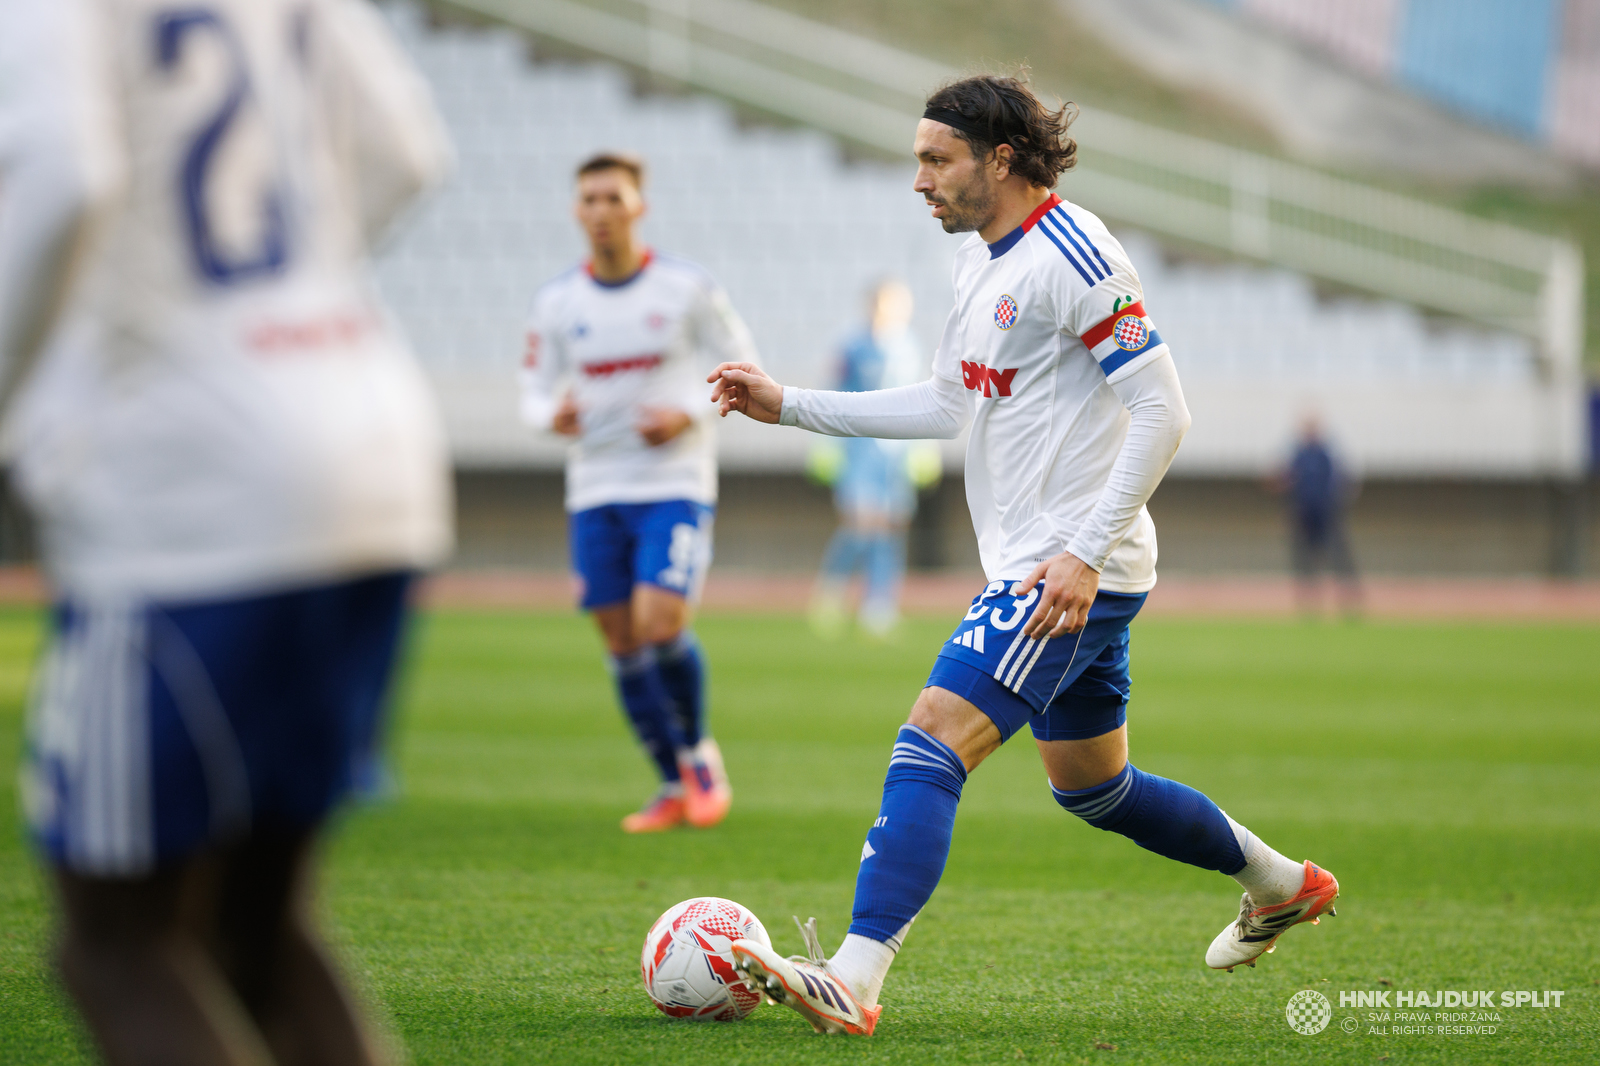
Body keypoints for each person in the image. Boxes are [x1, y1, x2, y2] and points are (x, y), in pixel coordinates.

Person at [707, 74, 1341, 1036]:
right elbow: (949, 404)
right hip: (1060, 569)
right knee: (1096, 788)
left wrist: (1082, 554)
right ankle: (1285, 885)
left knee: (932, 737)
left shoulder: (1076, 254)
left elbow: (1164, 411)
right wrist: (787, 403)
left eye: (935, 160)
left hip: (1064, 572)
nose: (918, 180)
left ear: (1000, 159)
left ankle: (855, 975)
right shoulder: (980, 263)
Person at [2, 1, 453, 1063]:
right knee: (259, 926)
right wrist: (283, 313)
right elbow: (406, 147)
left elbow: (66, 172)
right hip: (372, 430)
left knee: (116, 939)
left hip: (194, 490)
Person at [520, 153, 755, 833]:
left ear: (638, 207)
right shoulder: (557, 302)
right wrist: (549, 418)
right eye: (588, 199)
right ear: (576, 211)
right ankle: (670, 781)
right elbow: (534, 389)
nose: (600, 211)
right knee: (621, 640)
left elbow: (742, 365)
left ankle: (701, 755)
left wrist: (688, 411)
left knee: (661, 622)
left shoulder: (686, 288)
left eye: (612, 198)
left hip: (673, 482)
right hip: (595, 486)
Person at [809, 279, 934, 639]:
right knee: (862, 525)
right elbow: (833, 391)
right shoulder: (851, 345)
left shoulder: (909, 345)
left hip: (895, 456)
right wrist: (828, 446)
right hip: (858, 449)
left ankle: (879, 604)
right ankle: (831, 590)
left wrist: (922, 447)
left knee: (890, 528)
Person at [1280, 414, 1361, 615]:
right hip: (1304, 514)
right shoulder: (1299, 454)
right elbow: (1289, 480)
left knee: (1338, 557)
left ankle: (1349, 602)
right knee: (1305, 561)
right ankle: (1309, 604)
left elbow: (1341, 482)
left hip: (1327, 513)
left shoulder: (1326, 454)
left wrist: (1336, 505)